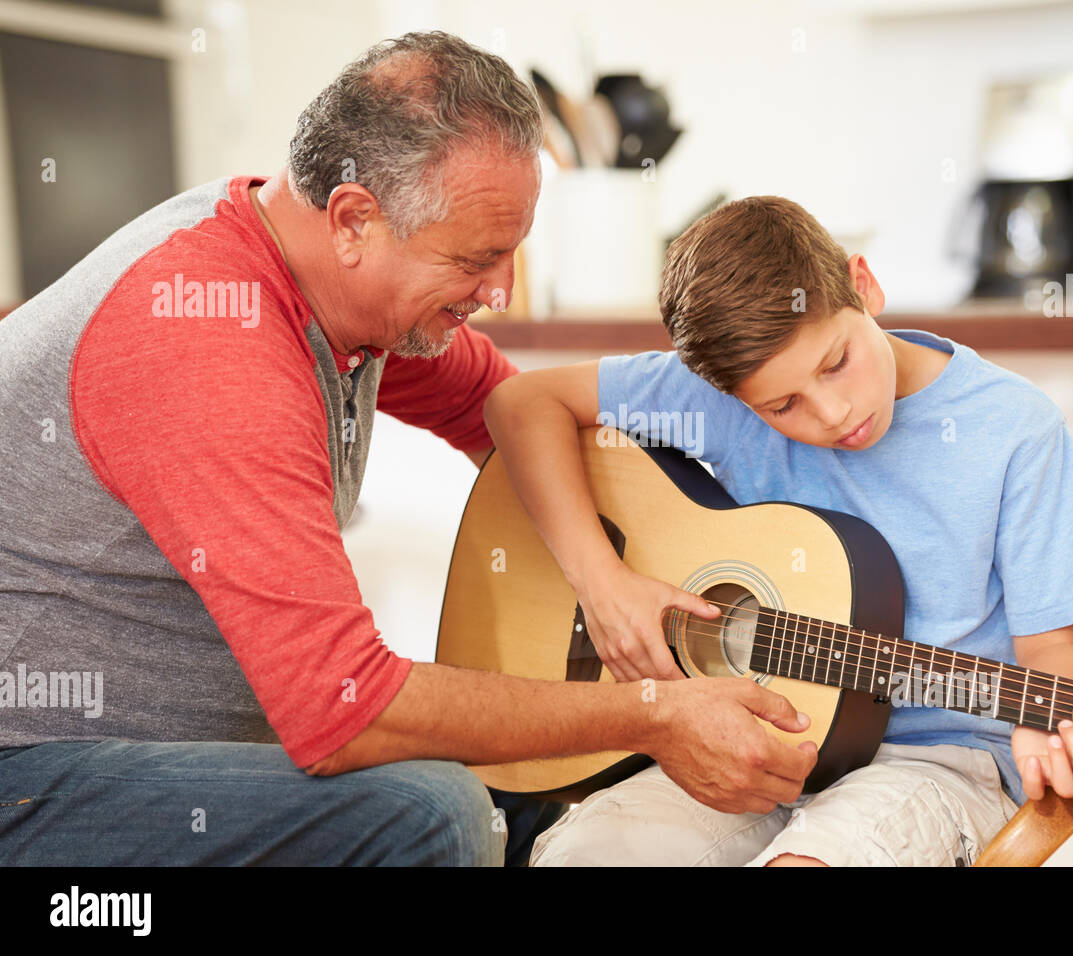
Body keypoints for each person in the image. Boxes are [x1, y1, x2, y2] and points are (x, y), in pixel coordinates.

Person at [0, 32, 815, 867]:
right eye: (475, 260)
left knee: (546, 797)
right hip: (28, 775)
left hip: (189, 751)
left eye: (512, 255)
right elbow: (343, 710)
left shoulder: (322, 275)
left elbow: (500, 409)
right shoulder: (211, 343)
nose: (500, 293)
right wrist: (652, 711)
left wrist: (610, 576)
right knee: (432, 809)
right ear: (355, 218)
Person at [483, 195, 1073, 866]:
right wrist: (603, 583)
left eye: (836, 362)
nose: (831, 412)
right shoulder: (720, 399)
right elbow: (521, 403)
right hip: (752, 739)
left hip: (941, 763)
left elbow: (1055, 656)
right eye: (782, 404)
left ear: (864, 286)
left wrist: (1053, 729)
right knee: (582, 856)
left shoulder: (1014, 428)